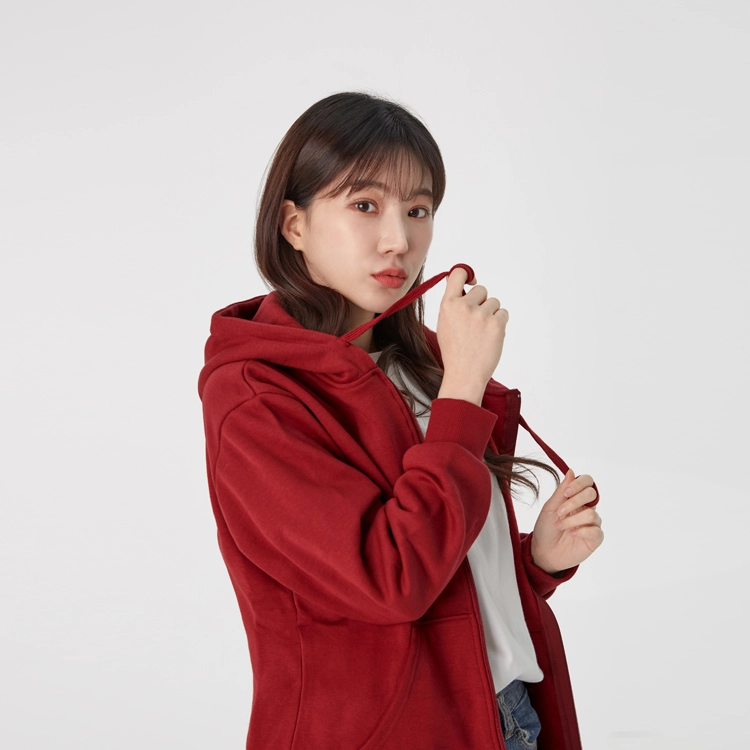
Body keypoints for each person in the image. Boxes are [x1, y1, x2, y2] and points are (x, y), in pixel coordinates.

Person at [197, 91, 604, 750]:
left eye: (418, 210)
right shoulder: (257, 397)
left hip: (508, 719)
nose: (400, 240)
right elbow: (391, 584)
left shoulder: (424, 367)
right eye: (364, 206)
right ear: (294, 225)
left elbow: (447, 577)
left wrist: (533, 564)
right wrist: (463, 392)